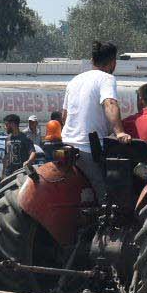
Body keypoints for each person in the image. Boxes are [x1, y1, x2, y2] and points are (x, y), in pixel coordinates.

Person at [60, 40, 131, 196]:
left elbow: (64, 116)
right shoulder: (106, 79)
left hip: (66, 145)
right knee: (108, 198)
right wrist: (119, 132)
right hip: (88, 149)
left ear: (92, 61)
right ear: (113, 63)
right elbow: (110, 103)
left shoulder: (74, 81)